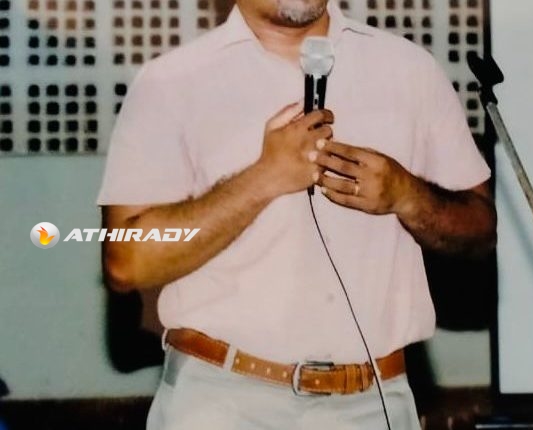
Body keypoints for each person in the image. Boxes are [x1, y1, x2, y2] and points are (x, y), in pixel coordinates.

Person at [98, 0, 496, 428]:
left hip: (375, 400)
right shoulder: (170, 82)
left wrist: (407, 195)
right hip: (222, 402)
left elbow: (481, 231)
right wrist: (263, 179)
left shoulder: (409, 70)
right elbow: (126, 262)